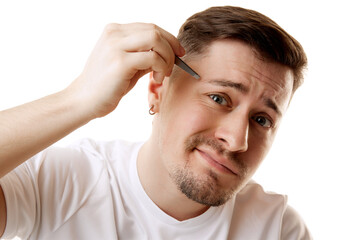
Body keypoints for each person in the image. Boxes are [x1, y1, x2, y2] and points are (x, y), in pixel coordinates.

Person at [0, 5, 312, 239]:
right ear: (157, 90)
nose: (237, 139)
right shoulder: (61, 181)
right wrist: (77, 100)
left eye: (262, 119)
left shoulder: (277, 229)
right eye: (219, 98)